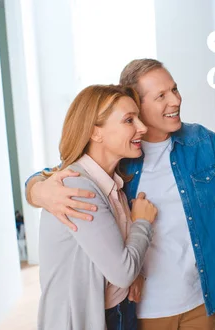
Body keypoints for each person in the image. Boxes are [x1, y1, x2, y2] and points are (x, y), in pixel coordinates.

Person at [26, 59, 215, 330]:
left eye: (174, 90)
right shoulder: (119, 155)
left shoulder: (199, 142)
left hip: (199, 298)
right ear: (137, 105)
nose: (175, 101)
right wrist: (38, 190)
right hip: (140, 306)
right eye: (161, 96)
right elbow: (60, 174)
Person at [36, 84, 158, 330]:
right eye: (129, 120)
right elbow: (122, 272)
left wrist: (135, 275)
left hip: (118, 309)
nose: (142, 128)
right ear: (95, 133)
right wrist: (142, 222)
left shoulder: (112, 185)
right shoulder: (78, 188)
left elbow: (116, 261)